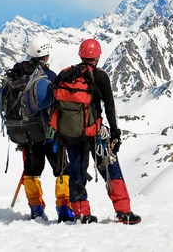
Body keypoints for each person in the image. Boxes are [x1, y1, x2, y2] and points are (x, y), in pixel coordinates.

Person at [57, 38, 141, 225]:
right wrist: (115, 134)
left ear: (80, 55)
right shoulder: (100, 76)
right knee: (110, 168)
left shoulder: (66, 75)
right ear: (97, 56)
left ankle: (81, 213)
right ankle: (123, 212)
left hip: (70, 134)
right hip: (95, 133)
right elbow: (110, 107)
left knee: (76, 171)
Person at [0, 37, 75, 223]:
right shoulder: (48, 77)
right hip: (49, 133)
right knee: (63, 170)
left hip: (26, 135)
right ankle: (64, 208)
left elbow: (0, 98)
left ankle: (36, 209)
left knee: (31, 171)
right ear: (45, 56)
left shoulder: (15, 75)